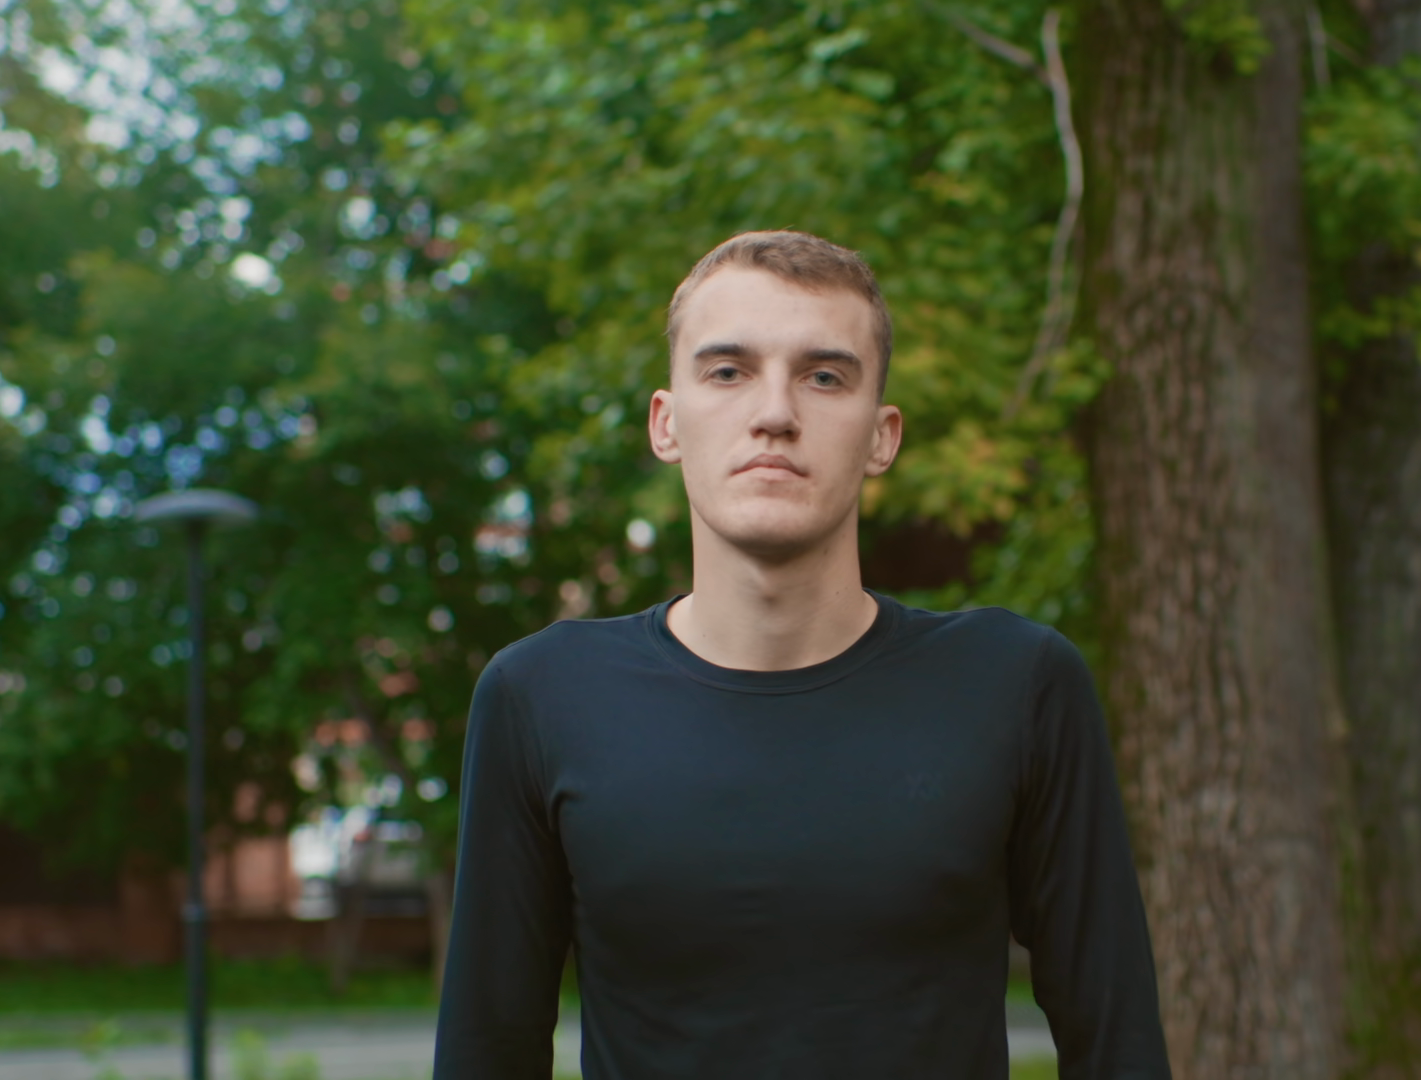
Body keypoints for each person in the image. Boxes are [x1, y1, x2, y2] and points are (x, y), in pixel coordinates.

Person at [432, 230, 1171, 1079]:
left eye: (824, 377)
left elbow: (1119, 1048)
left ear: (882, 436)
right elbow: (485, 1055)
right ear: (666, 424)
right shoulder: (542, 696)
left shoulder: (1016, 683)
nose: (775, 413)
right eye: (728, 371)